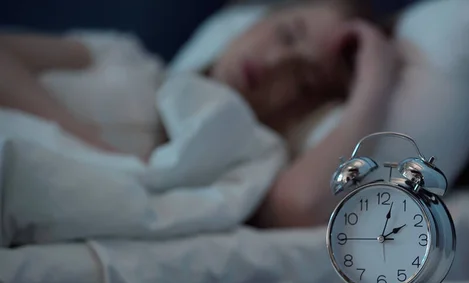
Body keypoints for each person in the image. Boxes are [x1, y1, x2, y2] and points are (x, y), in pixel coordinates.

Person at [0, 0, 401, 229]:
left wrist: (374, 85)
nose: (276, 62)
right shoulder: (122, 56)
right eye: (287, 34)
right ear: (257, 19)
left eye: (304, 80)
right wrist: (88, 143)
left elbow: (300, 204)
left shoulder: (251, 154)